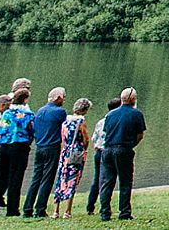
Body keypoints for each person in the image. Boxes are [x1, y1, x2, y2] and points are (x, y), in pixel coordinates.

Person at [97, 89, 145, 222]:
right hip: (123, 149)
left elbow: (106, 131)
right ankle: (124, 212)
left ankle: (105, 213)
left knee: (107, 182)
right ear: (132, 99)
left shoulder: (110, 114)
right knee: (125, 182)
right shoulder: (136, 114)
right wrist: (130, 145)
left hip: (107, 150)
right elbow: (140, 135)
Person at [27, 88, 70, 217]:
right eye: (63, 97)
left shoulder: (40, 111)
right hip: (52, 147)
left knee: (36, 177)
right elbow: (65, 128)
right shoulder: (60, 112)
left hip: (39, 147)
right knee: (47, 178)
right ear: (57, 98)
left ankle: (27, 208)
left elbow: (34, 128)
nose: (64, 100)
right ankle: (40, 209)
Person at [0, 81, 38, 214]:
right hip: (20, 146)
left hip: (4, 145)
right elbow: (33, 130)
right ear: (25, 99)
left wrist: (3, 140)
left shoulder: (7, 113)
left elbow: (2, 128)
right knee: (16, 179)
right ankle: (12, 209)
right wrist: (28, 141)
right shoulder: (28, 115)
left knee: (1, 177)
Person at [85, 95, 121, 217]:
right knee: (108, 180)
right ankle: (104, 208)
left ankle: (90, 206)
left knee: (97, 179)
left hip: (98, 152)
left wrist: (96, 146)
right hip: (109, 151)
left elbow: (94, 139)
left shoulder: (100, 121)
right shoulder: (116, 121)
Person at [55, 100, 92, 219]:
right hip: (76, 152)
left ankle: (56, 211)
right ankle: (67, 211)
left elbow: (63, 137)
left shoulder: (65, 120)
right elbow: (86, 139)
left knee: (61, 178)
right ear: (84, 110)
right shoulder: (81, 121)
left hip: (65, 151)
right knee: (72, 179)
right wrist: (84, 150)